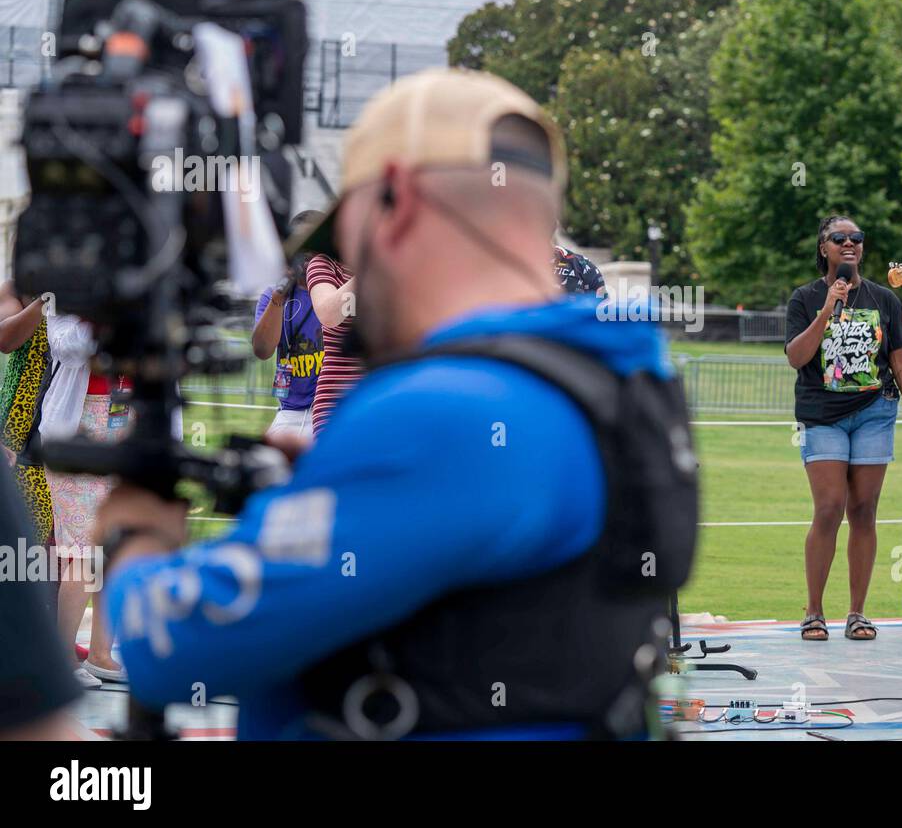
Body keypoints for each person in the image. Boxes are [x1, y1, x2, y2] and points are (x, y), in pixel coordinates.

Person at [98, 67, 691, 739]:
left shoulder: (443, 410)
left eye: (345, 242)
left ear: (397, 203)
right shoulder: (611, 372)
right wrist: (325, 496)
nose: (348, 269)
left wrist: (137, 539)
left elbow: (173, 648)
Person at [785, 215, 902, 642]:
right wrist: (828, 309)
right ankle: (813, 611)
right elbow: (796, 356)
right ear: (823, 247)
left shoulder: (884, 299)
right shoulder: (805, 298)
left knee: (863, 510)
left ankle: (858, 613)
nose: (850, 244)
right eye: (839, 238)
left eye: (857, 238)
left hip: (874, 412)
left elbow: (899, 359)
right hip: (822, 415)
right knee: (829, 506)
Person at [42, 314, 132, 687]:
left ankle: (100, 654)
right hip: (77, 428)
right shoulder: (70, 286)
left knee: (114, 545)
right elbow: (66, 345)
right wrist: (108, 313)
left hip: (126, 418)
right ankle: (62, 660)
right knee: (81, 550)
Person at [0, 463, 80, 739]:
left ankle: (59, 646)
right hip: (31, 469)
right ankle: (60, 648)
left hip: (34, 467)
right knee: (32, 557)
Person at [252, 211, 325, 438]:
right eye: (300, 246)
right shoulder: (275, 295)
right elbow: (262, 350)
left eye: (312, 245)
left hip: (330, 411)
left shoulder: (339, 289)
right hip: (290, 412)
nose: (306, 255)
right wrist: (279, 296)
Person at [0, 282, 53, 546]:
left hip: (80, 421)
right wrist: (45, 298)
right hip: (23, 432)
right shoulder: (18, 287)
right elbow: (5, 339)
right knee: (24, 546)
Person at [305, 248, 363, 437]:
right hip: (337, 398)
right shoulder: (326, 264)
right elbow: (328, 315)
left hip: (387, 390)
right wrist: (370, 268)